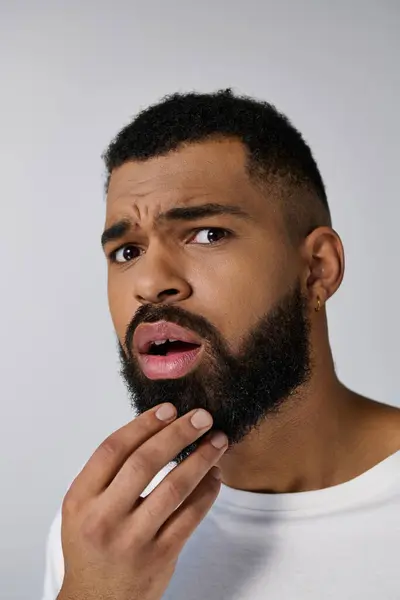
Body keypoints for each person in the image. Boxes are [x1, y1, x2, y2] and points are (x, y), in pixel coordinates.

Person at [42, 89, 400, 600]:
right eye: (127, 250)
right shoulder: (96, 537)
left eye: (207, 234)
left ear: (318, 269)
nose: (149, 282)